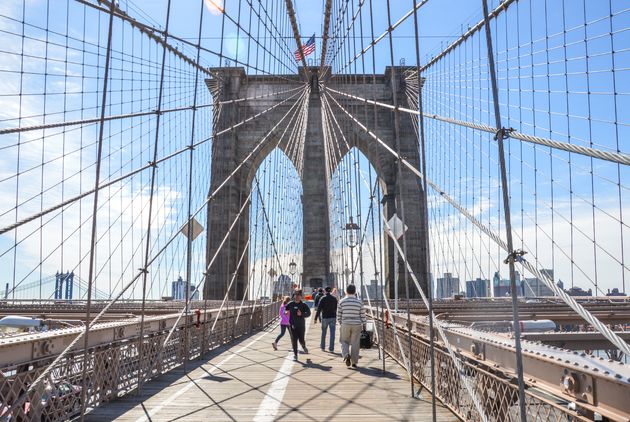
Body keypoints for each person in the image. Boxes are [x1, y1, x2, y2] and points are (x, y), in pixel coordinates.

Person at [337, 284, 366, 368]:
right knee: (355, 343)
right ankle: (354, 362)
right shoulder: (359, 302)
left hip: (345, 323)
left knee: (344, 340)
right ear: (355, 291)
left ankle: (346, 354)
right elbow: (362, 315)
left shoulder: (341, 302)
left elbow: (339, 315)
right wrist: (364, 324)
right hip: (357, 324)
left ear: (346, 291)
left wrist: (341, 323)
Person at [286, 290, 311, 360]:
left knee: (301, 340)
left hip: (301, 325)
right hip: (292, 325)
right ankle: (295, 355)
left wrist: (301, 314)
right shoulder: (290, 304)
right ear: (294, 296)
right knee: (294, 340)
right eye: (295, 295)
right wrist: (286, 312)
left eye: (298, 295)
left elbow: (309, 314)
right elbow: (286, 309)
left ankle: (303, 346)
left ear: (301, 296)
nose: (297, 297)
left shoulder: (303, 305)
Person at [315, 286, 338, 352]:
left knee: (324, 333)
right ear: (330, 291)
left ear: (325, 291)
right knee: (332, 334)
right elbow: (336, 308)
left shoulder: (322, 298)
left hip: (325, 317)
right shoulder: (334, 299)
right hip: (333, 317)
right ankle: (331, 349)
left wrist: (316, 318)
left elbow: (319, 309)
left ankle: (323, 347)